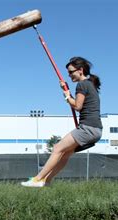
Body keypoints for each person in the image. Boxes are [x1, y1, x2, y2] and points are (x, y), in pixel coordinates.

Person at [21, 56, 102, 187]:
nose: (69, 75)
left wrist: (67, 96)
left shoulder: (82, 84)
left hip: (88, 128)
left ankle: (38, 178)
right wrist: (67, 93)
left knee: (57, 148)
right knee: (65, 154)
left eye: (71, 72)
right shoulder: (89, 84)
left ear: (80, 70)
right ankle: (47, 181)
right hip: (96, 130)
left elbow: (77, 106)